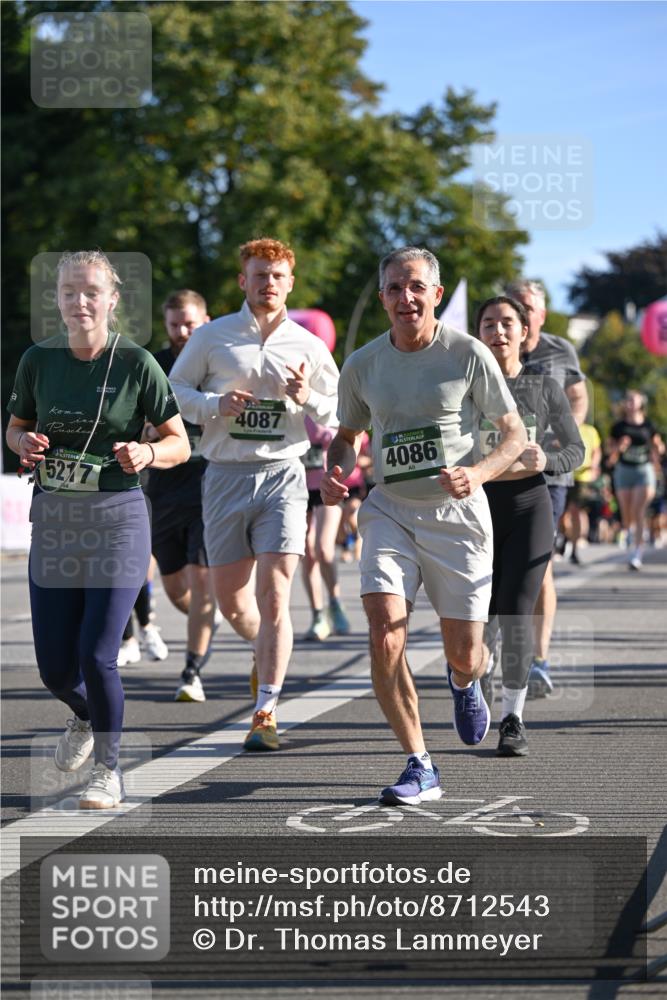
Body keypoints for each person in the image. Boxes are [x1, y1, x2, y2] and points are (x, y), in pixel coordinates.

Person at [321, 247, 526, 805]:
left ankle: (465, 680)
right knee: (384, 625)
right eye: (393, 288)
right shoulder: (363, 362)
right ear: (383, 295)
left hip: (456, 515)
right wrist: (336, 471)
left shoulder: (468, 353)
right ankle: (419, 764)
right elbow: (347, 434)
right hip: (389, 507)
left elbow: (513, 436)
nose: (404, 298)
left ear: (436, 295)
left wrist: (477, 474)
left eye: (415, 287)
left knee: (464, 649)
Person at [6, 250, 190, 808]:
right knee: (55, 668)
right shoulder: (37, 361)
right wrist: (24, 443)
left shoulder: (136, 363)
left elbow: (180, 443)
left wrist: (147, 451)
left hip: (117, 520)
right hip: (56, 523)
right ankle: (84, 716)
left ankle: (109, 771)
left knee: (97, 654)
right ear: (57, 300)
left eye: (91, 292)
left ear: (112, 300)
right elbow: (15, 427)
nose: (80, 302)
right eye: (69, 293)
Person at [169, 238, 339, 750]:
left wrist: (306, 397)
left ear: (291, 283)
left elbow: (340, 413)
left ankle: (265, 709)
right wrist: (216, 403)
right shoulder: (212, 336)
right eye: (259, 275)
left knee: (275, 596)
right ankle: (262, 651)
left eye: (278, 276)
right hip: (223, 475)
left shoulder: (309, 346)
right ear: (243, 281)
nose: (268, 283)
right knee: (234, 603)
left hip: (284, 476)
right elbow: (173, 393)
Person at [476, 296, 584, 755]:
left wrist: (549, 458)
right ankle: (475, 682)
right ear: (478, 333)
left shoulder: (543, 386)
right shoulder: (466, 384)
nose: (498, 331)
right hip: (475, 507)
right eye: (488, 323)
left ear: (524, 332)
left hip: (528, 505)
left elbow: (576, 449)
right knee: (480, 616)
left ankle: (512, 717)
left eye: (507, 323)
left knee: (517, 608)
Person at [506, 280, 588, 699]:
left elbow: (577, 396)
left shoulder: (560, 350)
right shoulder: (491, 344)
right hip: (499, 472)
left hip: (549, 473)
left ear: (540, 314)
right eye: (513, 305)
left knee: (540, 565)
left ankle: (538, 660)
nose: (519, 313)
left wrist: (562, 432)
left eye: (528, 306)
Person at [143, 289, 222, 702]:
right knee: (176, 590)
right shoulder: (153, 364)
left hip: (208, 484)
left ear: (206, 320)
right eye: (174, 324)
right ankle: (207, 621)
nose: (182, 331)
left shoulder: (218, 364)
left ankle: (191, 671)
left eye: (189, 323)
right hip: (164, 486)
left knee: (202, 580)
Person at [301, 416, 350, 641]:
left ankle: (335, 602)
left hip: (327, 486)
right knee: (308, 553)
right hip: (299, 487)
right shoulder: (291, 406)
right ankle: (318, 614)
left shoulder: (326, 402)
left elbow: (347, 439)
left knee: (323, 548)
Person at [606, 391, 664, 570]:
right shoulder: (618, 427)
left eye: (633, 399)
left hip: (643, 470)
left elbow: (659, 447)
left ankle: (637, 553)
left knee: (639, 510)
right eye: (627, 399)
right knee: (627, 513)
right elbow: (610, 454)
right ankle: (629, 534)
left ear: (641, 403)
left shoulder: (648, 425)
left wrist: (658, 447)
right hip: (624, 471)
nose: (629, 401)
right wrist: (619, 446)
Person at [565, 422, 602, 565]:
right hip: (562, 474)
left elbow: (597, 451)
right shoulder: (562, 425)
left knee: (575, 512)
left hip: (582, 478)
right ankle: (564, 540)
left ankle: (573, 548)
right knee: (562, 514)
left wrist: (594, 465)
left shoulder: (590, 430)